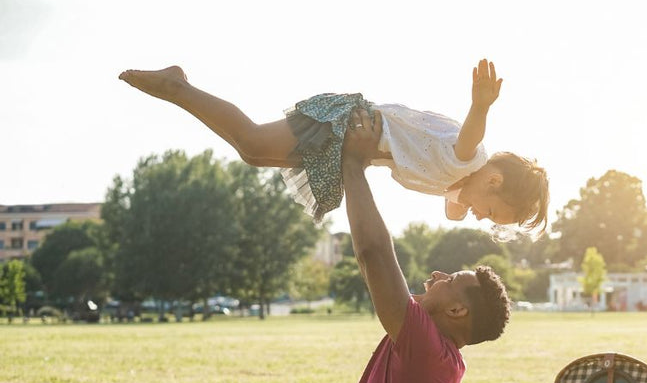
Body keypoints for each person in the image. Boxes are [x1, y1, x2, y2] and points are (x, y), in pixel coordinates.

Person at [0, 109, 512, 383]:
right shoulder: (430, 344)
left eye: (452, 282)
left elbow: (374, 254)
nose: (437, 276)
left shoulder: (429, 348)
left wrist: (354, 163)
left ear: (460, 314)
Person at [119, 60, 548, 234]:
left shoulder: (457, 183)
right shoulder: (467, 157)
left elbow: (456, 208)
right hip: (346, 123)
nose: (481, 217)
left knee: (251, 153)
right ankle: (177, 86)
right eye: (490, 212)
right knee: (251, 141)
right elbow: (472, 138)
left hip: (348, 142)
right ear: (492, 179)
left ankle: (180, 88)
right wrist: (480, 105)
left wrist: (476, 210)